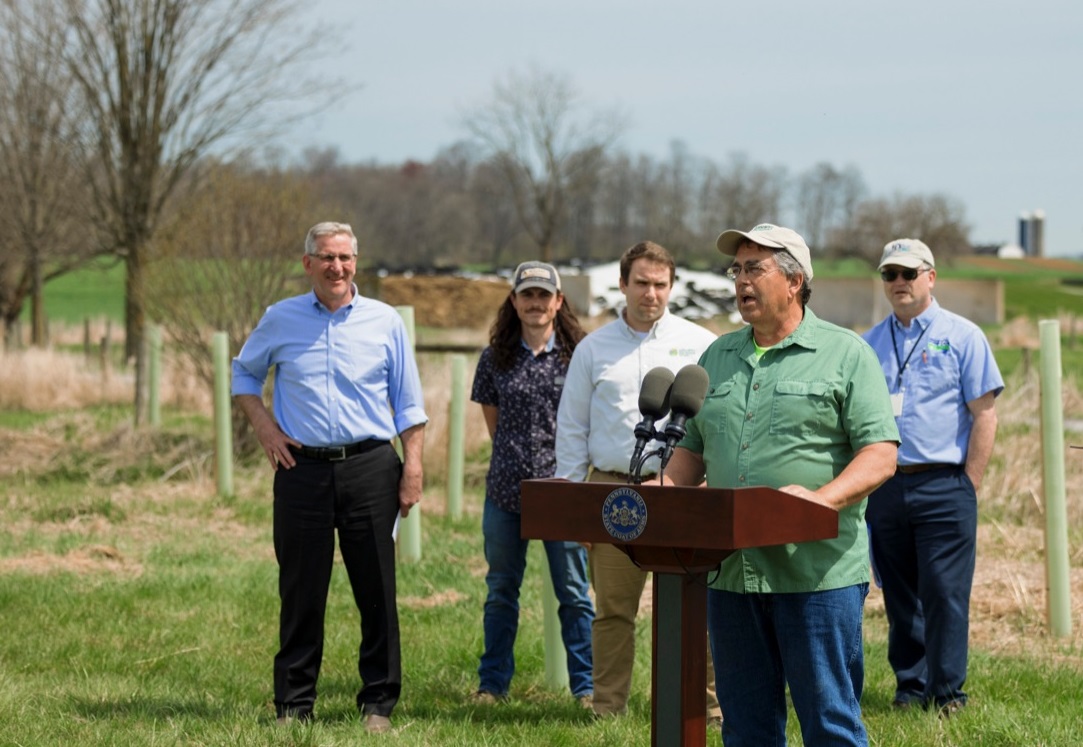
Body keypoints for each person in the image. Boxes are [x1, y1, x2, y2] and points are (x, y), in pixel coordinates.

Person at [662, 223, 900, 746]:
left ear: (794, 281)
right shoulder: (717, 357)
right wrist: (662, 492)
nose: (740, 281)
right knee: (745, 729)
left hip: (817, 575)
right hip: (730, 575)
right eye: (736, 270)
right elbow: (691, 450)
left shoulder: (846, 353)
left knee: (830, 724)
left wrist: (818, 501)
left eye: (754, 268)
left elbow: (880, 454)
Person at [231, 221, 428, 734]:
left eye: (344, 257)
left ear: (355, 262)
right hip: (301, 470)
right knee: (301, 590)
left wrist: (414, 467)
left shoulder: (385, 322)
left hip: (371, 468)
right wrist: (266, 430)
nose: (335, 267)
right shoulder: (281, 318)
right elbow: (243, 374)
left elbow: (409, 404)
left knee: (377, 589)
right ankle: (294, 706)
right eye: (325, 257)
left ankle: (379, 704)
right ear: (308, 263)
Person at [555, 241, 721, 723]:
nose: (651, 293)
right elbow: (572, 427)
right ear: (623, 284)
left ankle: (706, 708)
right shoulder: (593, 348)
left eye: (660, 284)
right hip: (615, 493)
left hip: (686, 493)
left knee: (697, 607)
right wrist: (575, 505)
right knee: (612, 610)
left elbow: (718, 421)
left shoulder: (701, 344)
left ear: (672, 287)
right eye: (642, 283)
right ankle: (607, 708)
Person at [862, 238, 1003, 715]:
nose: (899, 283)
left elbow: (984, 415)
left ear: (931, 277)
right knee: (900, 594)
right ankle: (911, 685)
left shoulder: (963, 336)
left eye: (908, 273)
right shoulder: (868, 344)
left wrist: (969, 483)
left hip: (945, 485)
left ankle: (948, 693)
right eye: (890, 275)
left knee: (944, 593)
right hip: (885, 485)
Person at [469, 261, 595, 707]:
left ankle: (586, 688)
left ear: (559, 302)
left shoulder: (579, 355)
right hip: (506, 491)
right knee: (502, 590)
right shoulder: (494, 358)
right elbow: (493, 424)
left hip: (563, 492)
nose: (536, 303)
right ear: (515, 301)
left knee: (574, 594)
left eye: (545, 295)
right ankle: (492, 685)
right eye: (528, 295)